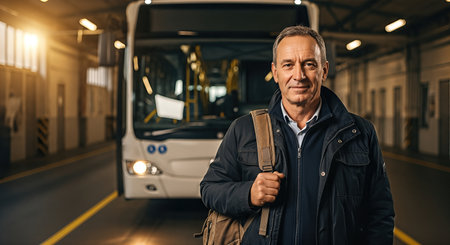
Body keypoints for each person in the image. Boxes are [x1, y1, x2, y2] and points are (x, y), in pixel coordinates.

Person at [200, 25, 394, 245]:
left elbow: (380, 212)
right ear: (275, 72)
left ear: (324, 70)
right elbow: (210, 188)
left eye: (309, 64)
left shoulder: (359, 132)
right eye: (288, 65)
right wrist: (249, 194)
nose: (298, 75)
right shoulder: (244, 129)